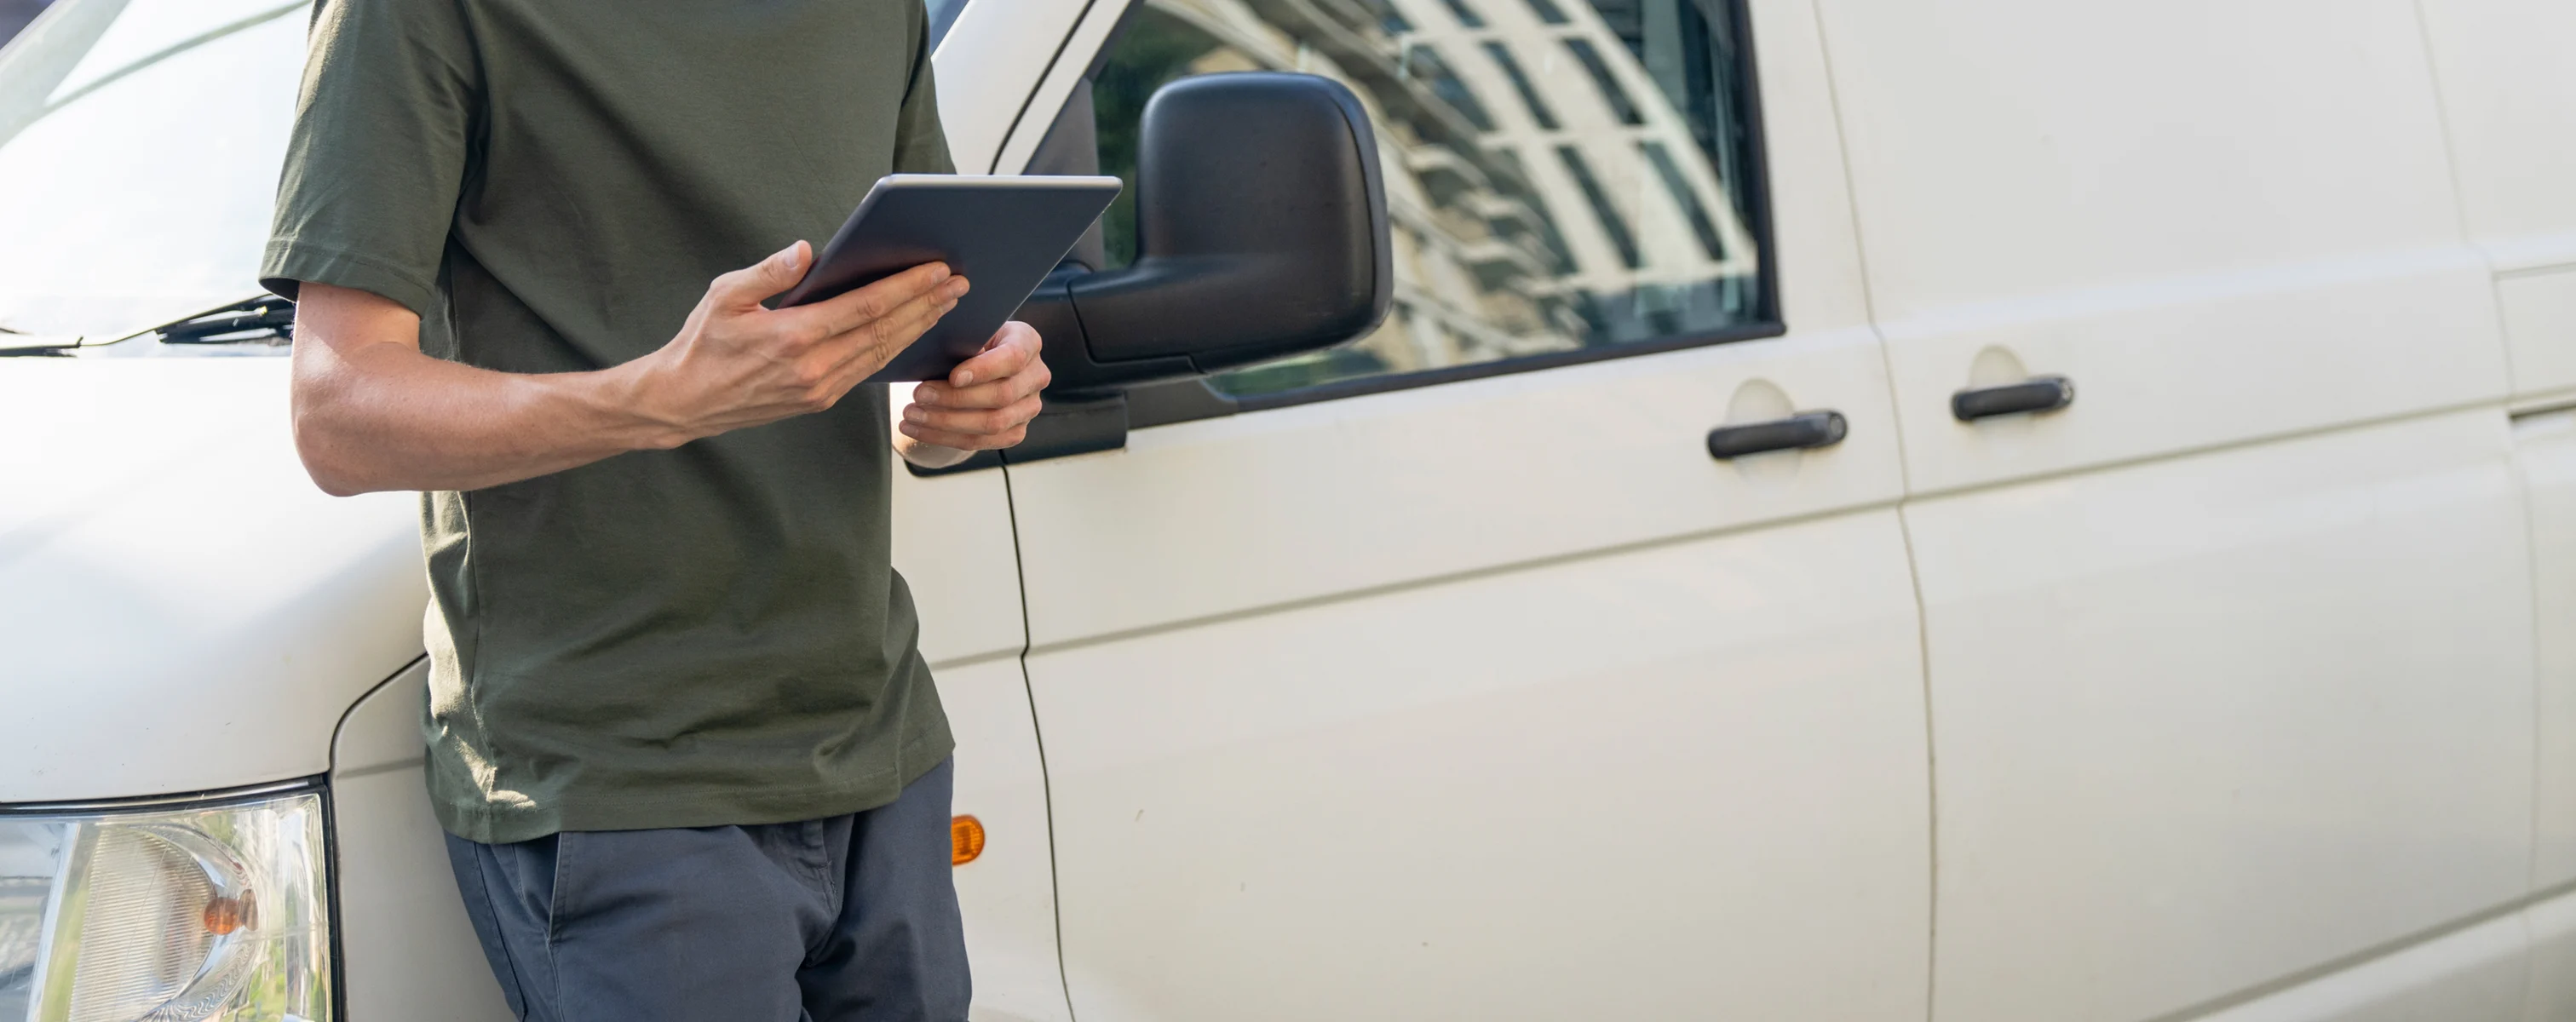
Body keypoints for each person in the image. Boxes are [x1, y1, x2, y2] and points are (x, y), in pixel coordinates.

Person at [262, 2, 1045, 1019]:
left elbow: (912, 353)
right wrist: (662, 400)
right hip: (618, 780)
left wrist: (964, 399)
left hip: (876, 744)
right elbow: (339, 414)